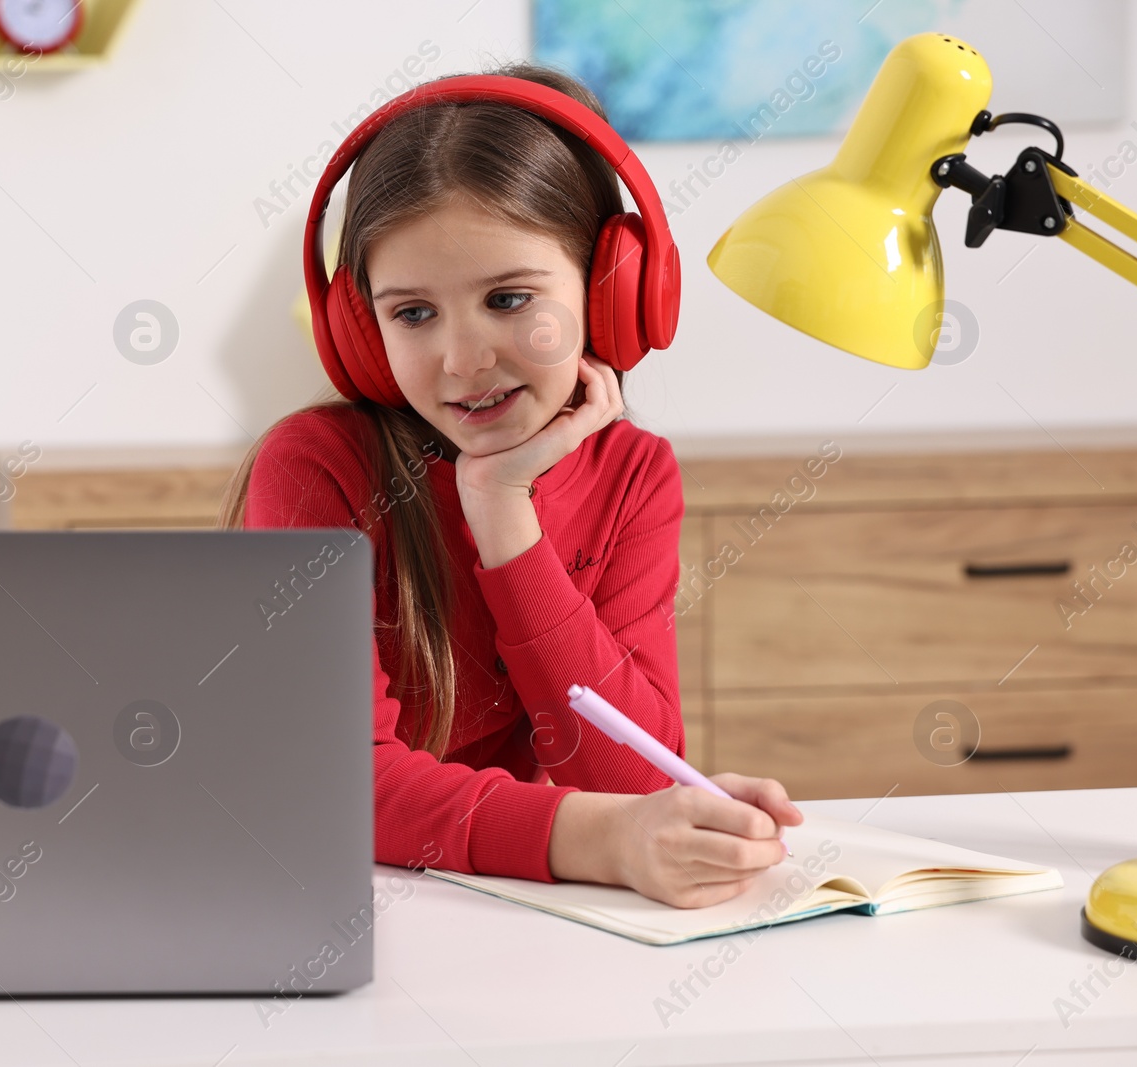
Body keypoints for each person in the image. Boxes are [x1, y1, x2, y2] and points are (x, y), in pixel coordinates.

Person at [218, 61, 802, 909]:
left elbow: (634, 775)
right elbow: (337, 783)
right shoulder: (316, 469)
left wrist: (502, 513)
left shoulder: (636, 474)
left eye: (507, 297)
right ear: (359, 325)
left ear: (609, 294)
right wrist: (608, 837)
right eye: (411, 313)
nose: (462, 361)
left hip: (545, 931)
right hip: (345, 918)